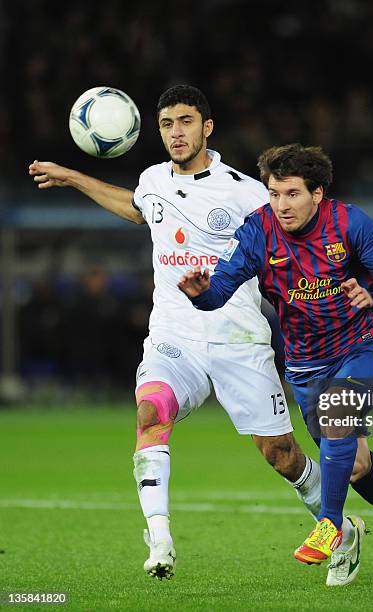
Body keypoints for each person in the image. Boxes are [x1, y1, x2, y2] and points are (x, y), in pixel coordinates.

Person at [29, 84, 326, 582]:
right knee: (150, 411)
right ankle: (160, 537)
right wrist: (73, 177)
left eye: (185, 122)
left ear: (207, 127)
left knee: (281, 455)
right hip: (174, 337)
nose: (176, 133)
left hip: (237, 340)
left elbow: (295, 239)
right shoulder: (152, 180)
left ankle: (335, 520)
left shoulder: (247, 193)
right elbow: (137, 207)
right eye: (167, 124)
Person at [178, 143, 373, 587]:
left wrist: (371, 290)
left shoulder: (349, 222)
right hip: (306, 362)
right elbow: (220, 290)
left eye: (291, 194)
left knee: (339, 414)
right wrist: (200, 294)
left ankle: (329, 523)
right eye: (274, 194)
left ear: (318, 193)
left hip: (362, 345)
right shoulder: (257, 231)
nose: (281, 205)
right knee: (355, 465)